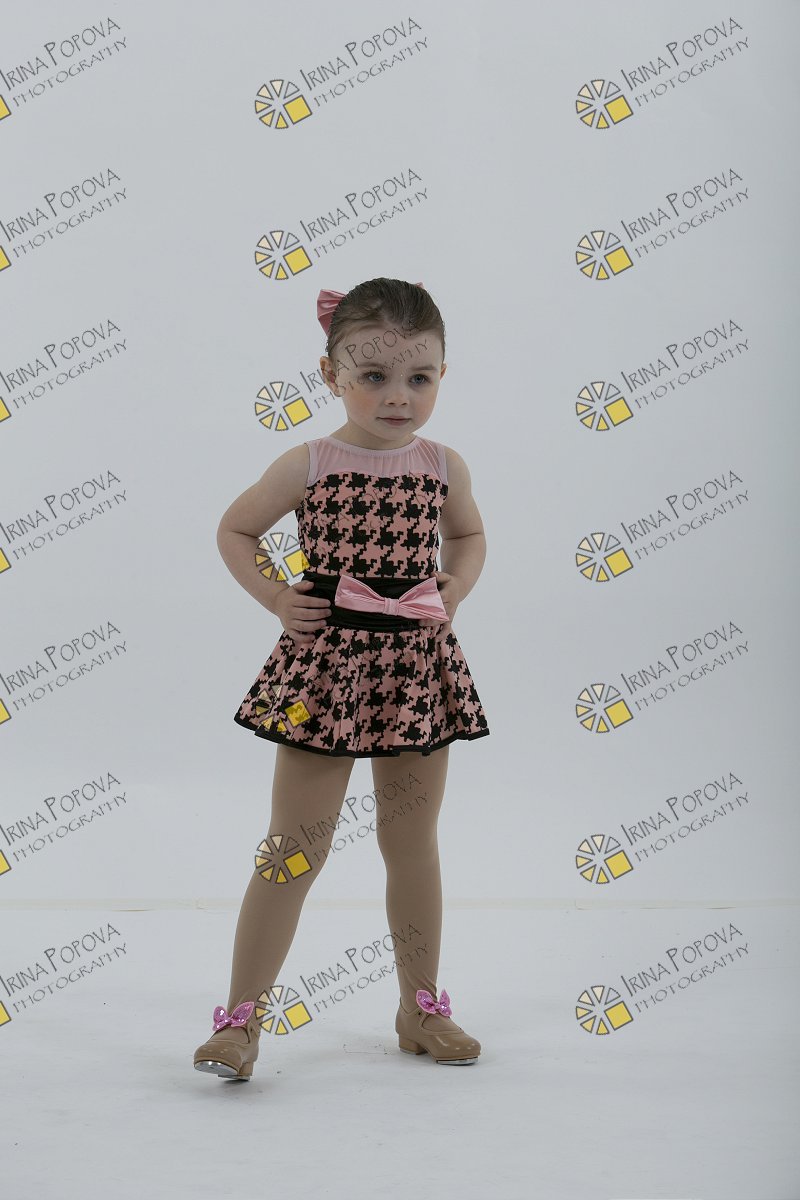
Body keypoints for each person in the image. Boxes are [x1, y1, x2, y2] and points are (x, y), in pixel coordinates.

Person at [193, 277, 491, 1081]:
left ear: (441, 374)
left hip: (414, 667)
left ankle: (420, 1007)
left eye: (419, 377)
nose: (398, 396)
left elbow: (467, 537)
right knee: (294, 846)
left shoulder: (442, 465)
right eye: (374, 376)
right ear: (331, 375)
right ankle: (241, 1021)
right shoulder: (310, 462)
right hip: (322, 672)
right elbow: (236, 529)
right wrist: (276, 598)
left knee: (411, 842)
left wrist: (457, 586)